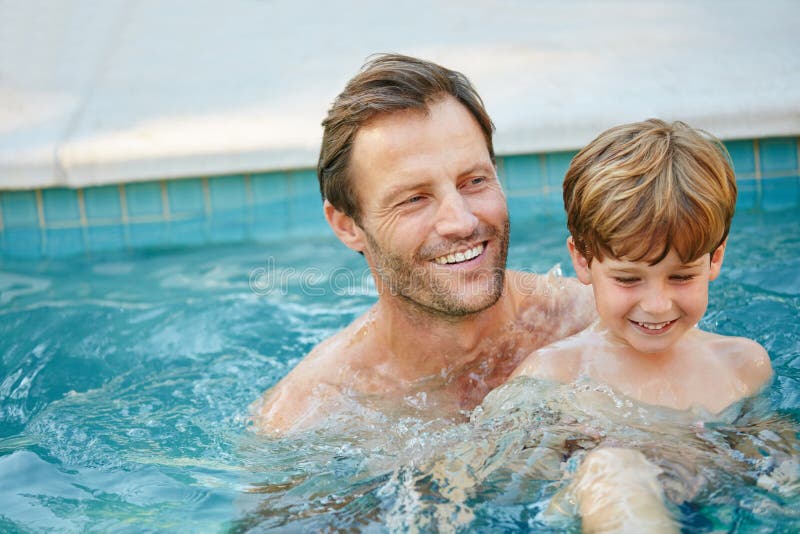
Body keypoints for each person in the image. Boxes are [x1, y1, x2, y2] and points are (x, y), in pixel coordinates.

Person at [252, 54, 595, 434]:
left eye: (474, 181)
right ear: (348, 225)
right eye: (415, 199)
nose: (461, 222)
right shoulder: (312, 415)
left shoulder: (597, 322)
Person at [508, 118, 775, 531]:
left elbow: (772, 470)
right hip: (611, 509)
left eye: (682, 276)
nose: (656, 304)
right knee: (613, 469)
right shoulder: (554, 374)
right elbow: (516, 487)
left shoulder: (742, 365)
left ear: (715, 259)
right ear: (583, 260)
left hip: (715, 503)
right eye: (628, 279)